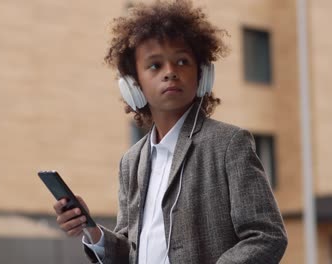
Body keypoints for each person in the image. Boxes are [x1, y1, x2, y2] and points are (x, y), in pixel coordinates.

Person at [53, 1, 288, 263]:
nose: (170, 72)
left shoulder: (229, 144)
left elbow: (267, 236)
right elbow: (129, 251)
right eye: (155, 65)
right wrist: (92, 230)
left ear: (202, 75)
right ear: (133, 84)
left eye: (182, 61)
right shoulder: (131, 162)